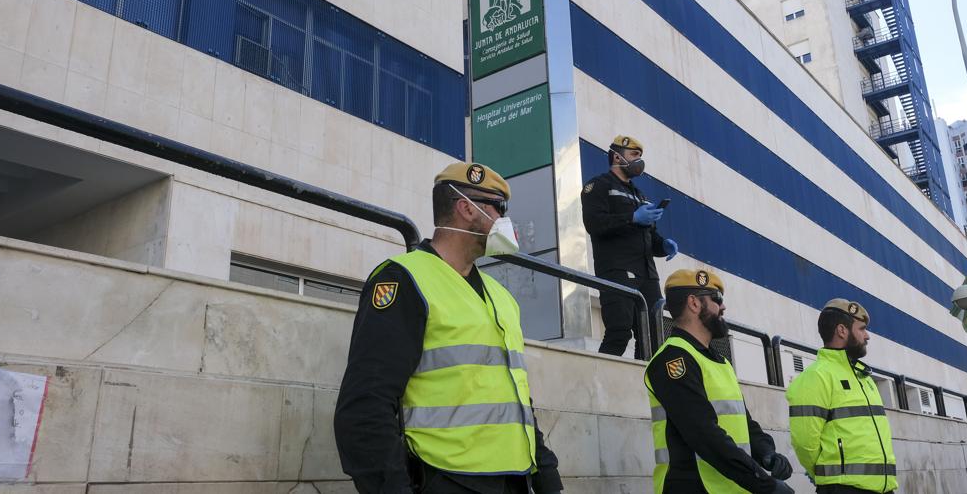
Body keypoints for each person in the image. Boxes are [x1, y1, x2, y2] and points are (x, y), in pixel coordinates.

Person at [334, 162, 563, 493]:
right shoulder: (403, 278)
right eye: (499, 209)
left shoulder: (502, 298)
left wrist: (547, 476)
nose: (505, 221)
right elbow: (365, 405)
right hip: (448, 480)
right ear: (466, 208)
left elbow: (517, 402)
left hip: (515, 481)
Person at [645, 269, 794, 493]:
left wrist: (766, 452)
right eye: (717, 299)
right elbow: (705, 435)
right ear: (694, 304)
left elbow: (745, 422)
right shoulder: (674, 360)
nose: (723, 307)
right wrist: (765, 485)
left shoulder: (719, 361)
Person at [786, 299, 896, 493]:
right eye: (862, 329)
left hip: (884, 489)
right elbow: (804, 443)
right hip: (842, 489)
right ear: (842, 331)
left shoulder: (864, 378)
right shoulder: (817, 376)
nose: (867, 336)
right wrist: (826, 476)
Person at [582, 135, 677, 358]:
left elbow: (649, 236)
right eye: (634, 155)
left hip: (647, 274)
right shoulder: (598, 186)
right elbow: (594, 224)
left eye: (640, 156)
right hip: (617, 271)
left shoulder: (640, 195)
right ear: (617, 156)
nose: (639, 160)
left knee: (653, 337)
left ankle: (642, 386)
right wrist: (632, 218)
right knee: (619, 332)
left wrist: (664, 245)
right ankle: (602, 386)